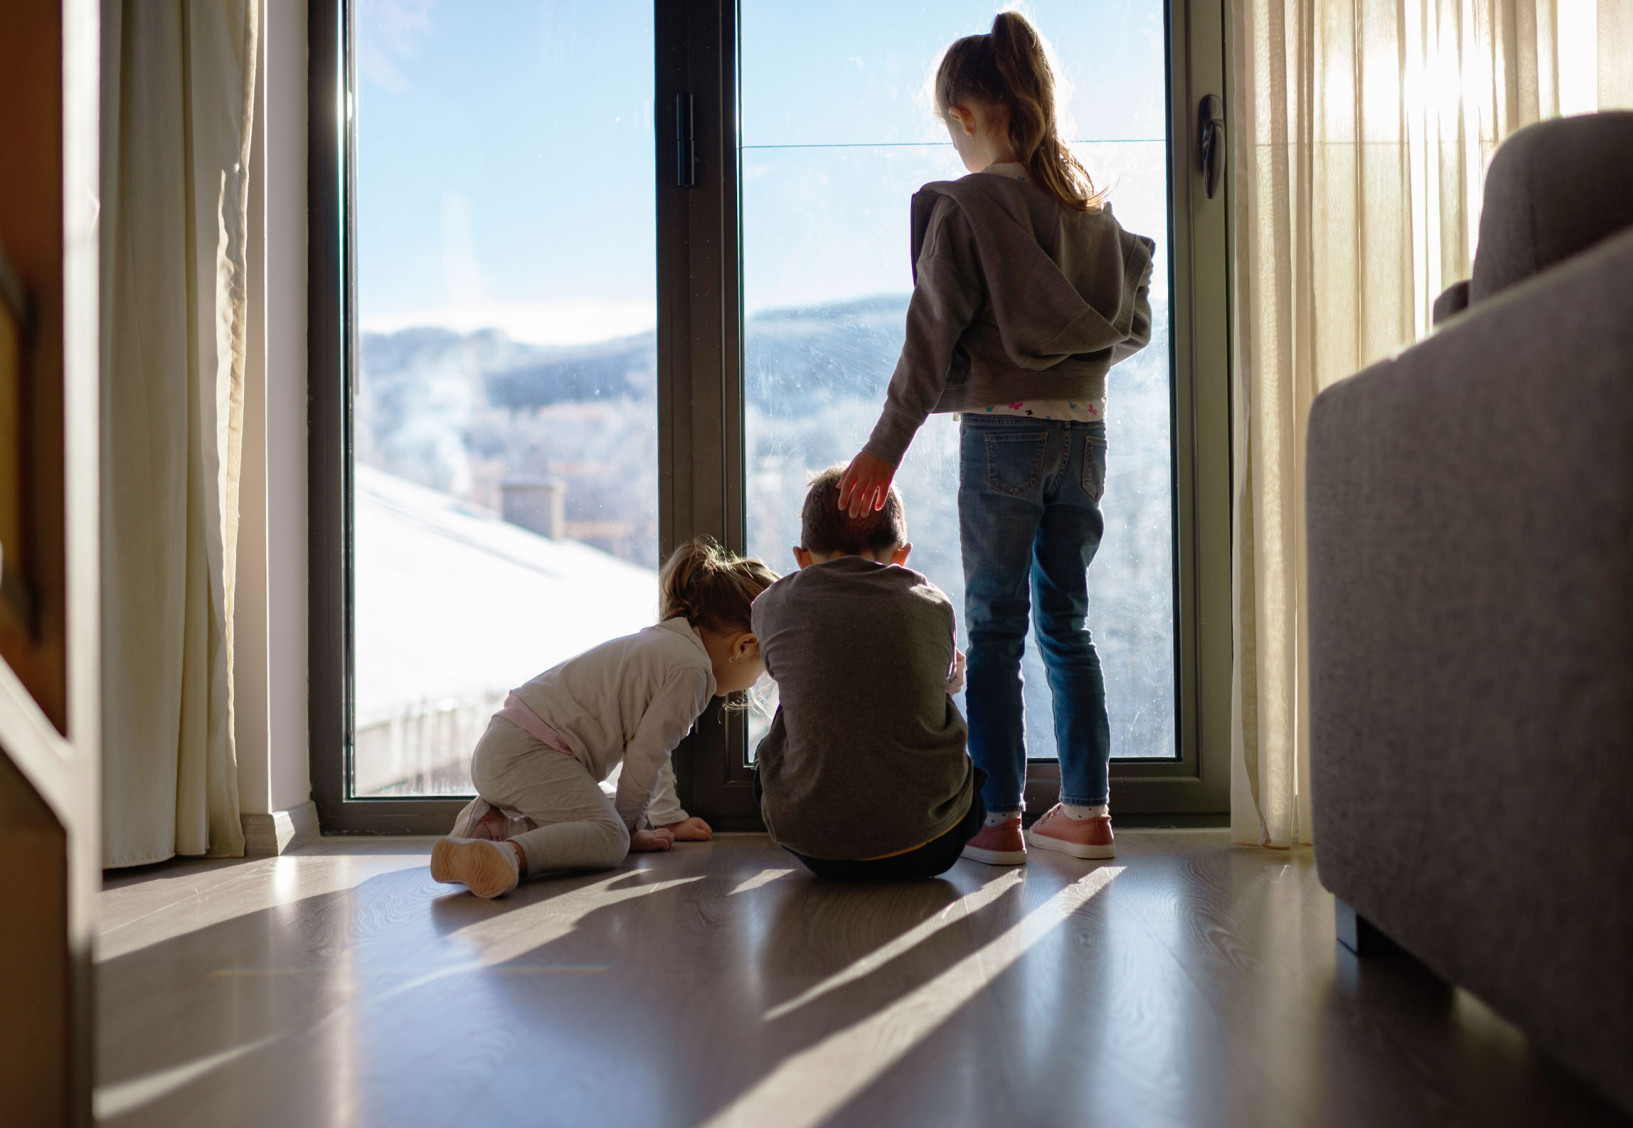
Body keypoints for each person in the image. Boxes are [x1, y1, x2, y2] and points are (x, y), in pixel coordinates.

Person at [836, 12, 1154, 865]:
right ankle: (1086, 812)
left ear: (966, 115)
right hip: (1083, 436)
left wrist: (884, 445)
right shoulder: (1091, 216)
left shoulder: (969, 207)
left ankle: (998, 819)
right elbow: (1132, 326)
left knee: (995, 630)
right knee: (1067, 626)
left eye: (951, 128)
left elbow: (929, 336)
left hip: (1003, 438)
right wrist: (1067, 363)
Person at [431, 538, 778, 898]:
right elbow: (647, 756)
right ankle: (507, 854)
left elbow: (652, 752)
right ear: (743, 645)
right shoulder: (692, 672)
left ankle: (484, 828)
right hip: (527, 753)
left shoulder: (667, 645)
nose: (757, 681)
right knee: (610, 838)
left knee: (611, 805)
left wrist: (666, 819)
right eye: (763, 669)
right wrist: (626, 833)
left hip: (509, 744)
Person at [750, 466, 981, 881]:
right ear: (902, 556)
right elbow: (948, 680)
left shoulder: (772, 606)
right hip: (933, 843)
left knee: (778, 728)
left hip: (814, 845)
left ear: (802, 559)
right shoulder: (933, 604)